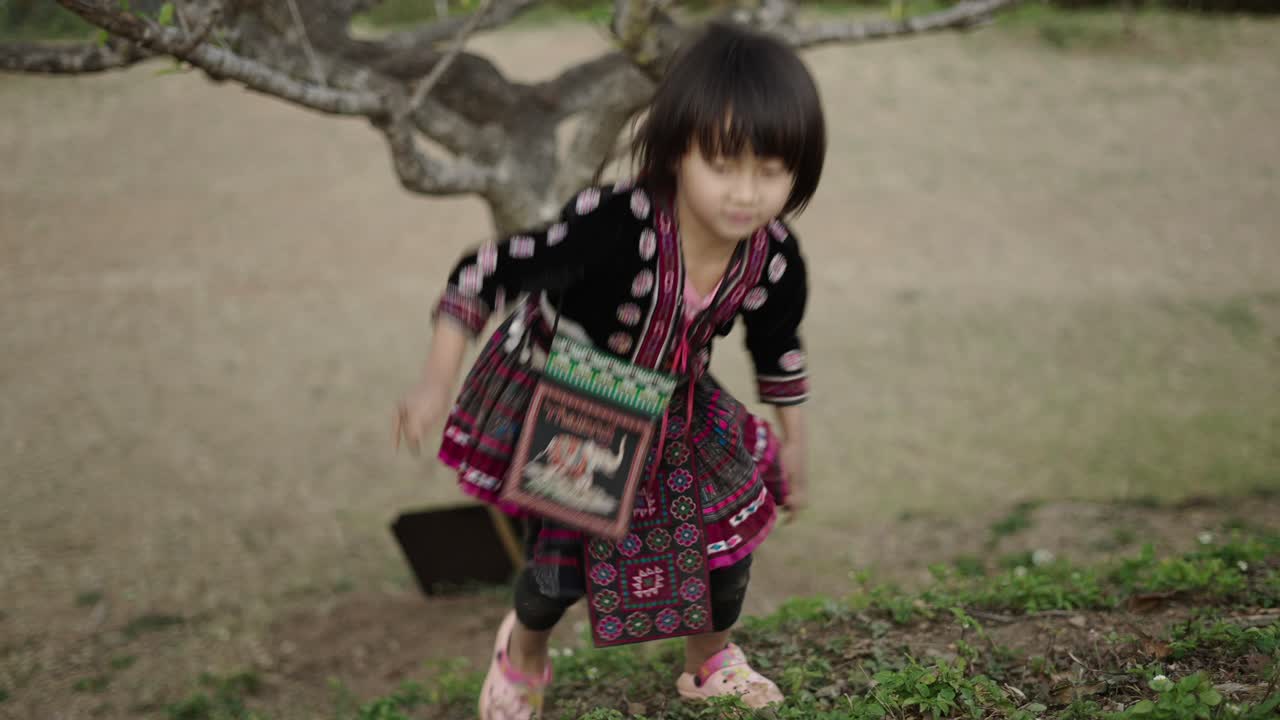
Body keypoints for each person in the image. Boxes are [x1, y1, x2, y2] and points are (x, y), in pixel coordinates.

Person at [393, 20, 826, 719]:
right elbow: (488, 272)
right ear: (676, 153)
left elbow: (778, 347)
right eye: (723, 165)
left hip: (677, 399)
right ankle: (523, 653)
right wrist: (436, 380)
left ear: (797, 170)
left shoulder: (771, 257)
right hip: (574, 394)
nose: (745, 193)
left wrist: (795, 448)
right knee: (558, 574)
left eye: (770, 171)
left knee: (724, 544)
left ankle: (710, 660)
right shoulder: (614, 224)